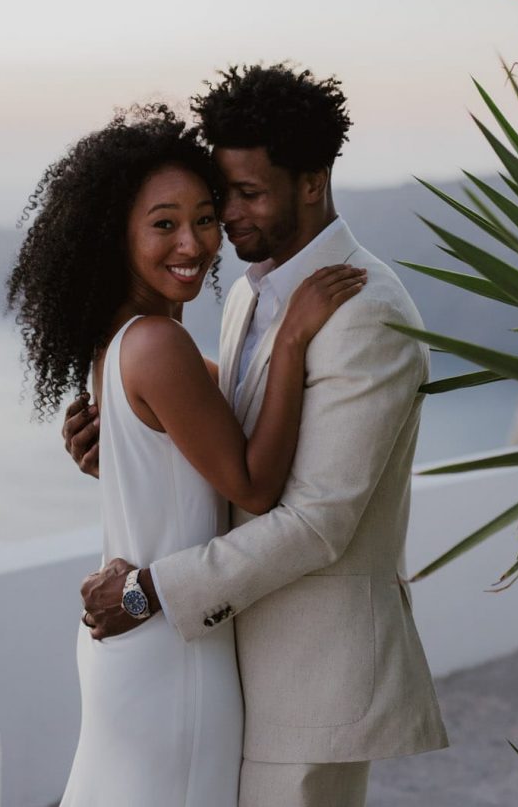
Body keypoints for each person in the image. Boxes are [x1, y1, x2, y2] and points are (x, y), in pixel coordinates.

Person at [67, 65, 448, 807]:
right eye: (224, 193)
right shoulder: (250, 293)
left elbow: (317, 522)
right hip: (226, 671)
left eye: (248, 193)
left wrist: (147, 593)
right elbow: (230, 439)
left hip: (311, 688)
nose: (228, 218)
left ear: (313, 180)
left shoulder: (367, 311)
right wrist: (133, 439)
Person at [6, 104, 365, 807]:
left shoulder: (122, 342)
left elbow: (176, 464)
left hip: (142, 643)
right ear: (119, 233)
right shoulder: (160, 346)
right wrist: (292, 337)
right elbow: (256, 486)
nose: (194, 243)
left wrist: (112, 460)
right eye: (163, 223)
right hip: (169, 648)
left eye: (205, 217)